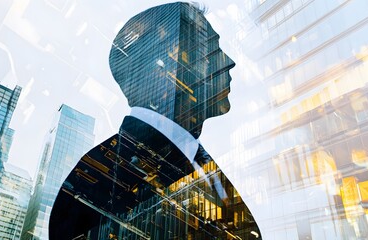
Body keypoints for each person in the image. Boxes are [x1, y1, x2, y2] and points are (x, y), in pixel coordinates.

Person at [49, 2, 260, 239]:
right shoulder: (99, 179)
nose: (229, 62)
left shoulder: (195, 161)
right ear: (166, 65)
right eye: (211, 49)